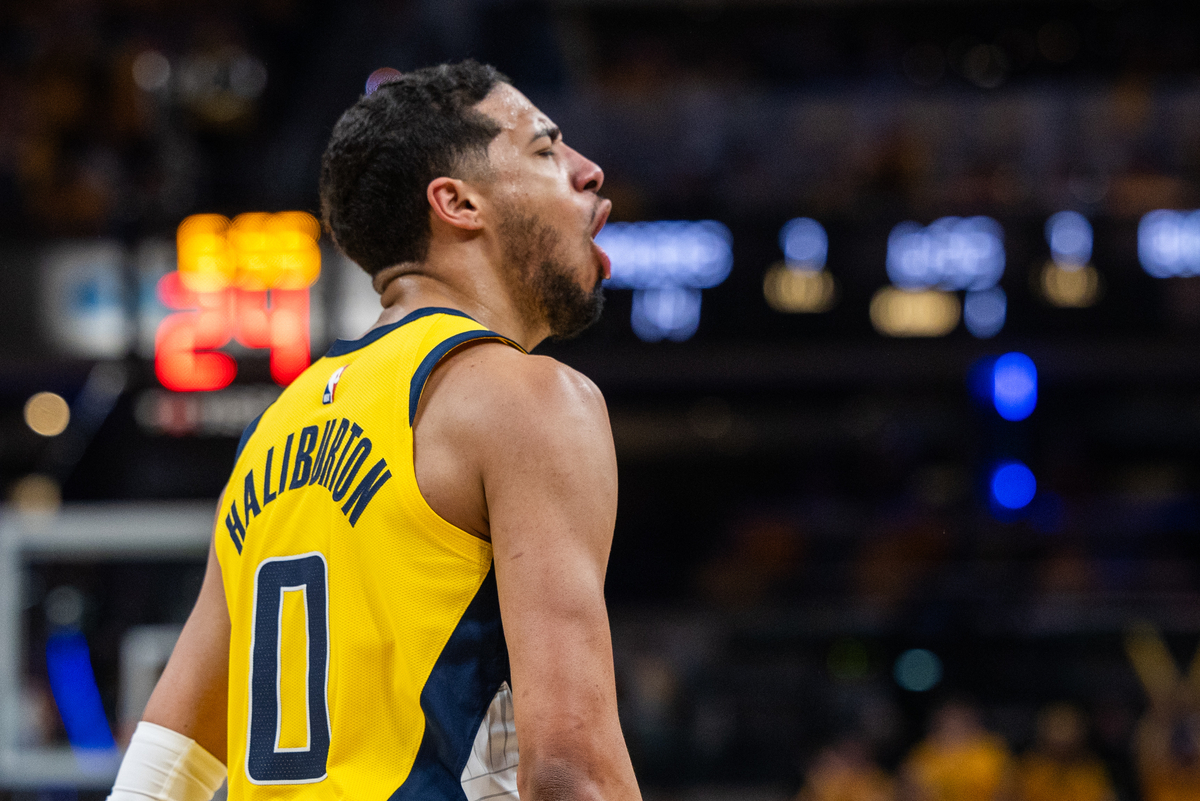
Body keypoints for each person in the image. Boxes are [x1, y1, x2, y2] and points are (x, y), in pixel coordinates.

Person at [106, 60, 642, 801]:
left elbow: (163, 765)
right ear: (457, 202)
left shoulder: (271, 428)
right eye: (546, 150)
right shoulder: (527, 398)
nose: (589, 171)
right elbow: (572, 769)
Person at [901, 699, 1013, 801]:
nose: (953, 726)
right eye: (948, 721)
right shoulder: (921, 756)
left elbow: (1007, 792)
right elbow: (910, 793)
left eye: (959, 720)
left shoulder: (991, 751)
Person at [1016, 703, 1113, 801]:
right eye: (1057, 726)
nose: (1062, 734)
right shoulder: (1025, 770)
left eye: (1068, 725)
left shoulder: (1094, 771)